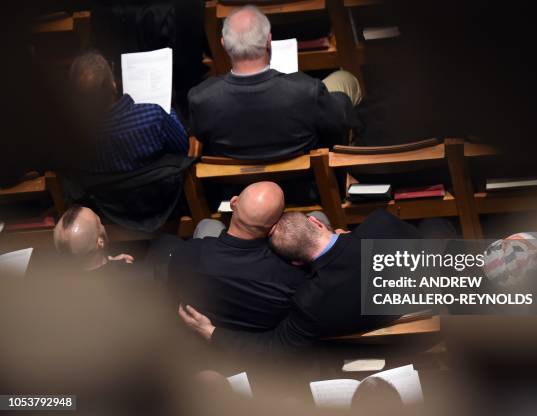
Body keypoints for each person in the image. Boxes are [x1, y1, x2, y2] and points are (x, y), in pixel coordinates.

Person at [179, 209, 421, 356]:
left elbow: (273, 348)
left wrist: (210, 331)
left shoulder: (310, 300)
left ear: (295, 263)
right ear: (317, 224)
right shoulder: (381, 224)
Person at [188, 5, 362, 161]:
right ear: (269, 40)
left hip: (236, 190)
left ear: (224, 44)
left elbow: (203, 138)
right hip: (306, 187)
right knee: (345, 80)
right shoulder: (307, 90)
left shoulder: (201, 98)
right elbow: (338, 123)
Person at [171, 182, 308, 332]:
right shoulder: (291, 272)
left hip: (207, 333)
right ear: (275, 225)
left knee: (207, 224)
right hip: (259, 338)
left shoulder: (188, 254)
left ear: (233, 203)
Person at [69, 51, 189, 174]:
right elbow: (183, 147)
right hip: (165, 191)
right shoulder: (154, 115)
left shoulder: (77, 140)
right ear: (113, 85)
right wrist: (169, 111)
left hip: (109, 193)